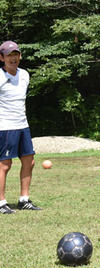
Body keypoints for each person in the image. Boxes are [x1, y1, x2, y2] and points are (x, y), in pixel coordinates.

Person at [0, 40, 41, 214]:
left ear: (20, 56)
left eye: (15, 54)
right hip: (5, 126)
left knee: (29, 161)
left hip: (23, 124)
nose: (13, 58)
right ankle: (1, 202)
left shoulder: (24, 75)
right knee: (4, 165)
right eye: (9, 55)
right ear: (2, 58)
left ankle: (24, 199)